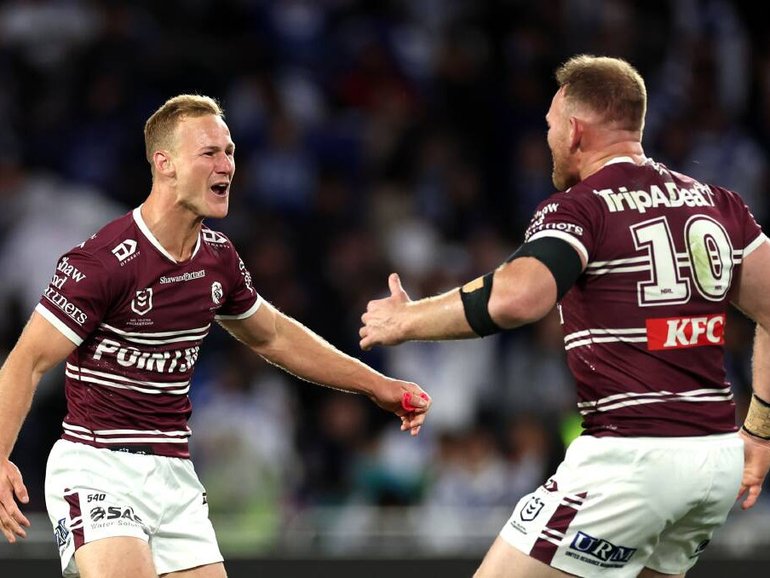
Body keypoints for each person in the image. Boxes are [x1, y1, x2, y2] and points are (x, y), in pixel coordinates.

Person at [359, 54, 770, 578]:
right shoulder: (716, 202)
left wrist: (407, 320)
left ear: (575, 130)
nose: (548, 136)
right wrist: (758, 434)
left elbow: (517, 298)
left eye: (552, 125)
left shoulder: (580, 206)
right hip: (713, 460)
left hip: (631, 460)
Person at [0, 94, 431, 578]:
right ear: (165, 165)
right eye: (209, 153)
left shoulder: (218, 259)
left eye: (229, 152)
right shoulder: (101, 263)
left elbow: (273, 336)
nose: (226, 164)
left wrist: (377, 385)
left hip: (174, 474)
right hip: (99, 468)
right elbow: (28, 360)